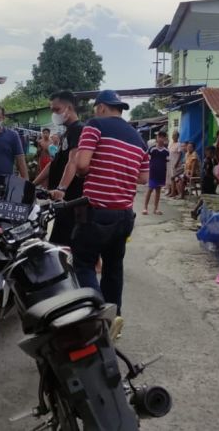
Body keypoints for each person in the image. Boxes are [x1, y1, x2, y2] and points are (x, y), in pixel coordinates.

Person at [74, 90, 149, 340]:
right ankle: (113, 320)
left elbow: (83, 164)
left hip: (98, 212)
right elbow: (143, 177)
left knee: (83, 263)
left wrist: (88, 169)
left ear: (102, 107)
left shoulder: (95, 126)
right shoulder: (139, 139)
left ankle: (97, 319)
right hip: (124, 215)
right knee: (113, 269)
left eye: (96, 108)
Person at [33, 90, 84, 245]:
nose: (54, 114)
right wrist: (31, 184)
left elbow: (73, 161)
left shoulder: (79, 129)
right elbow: (53, 164)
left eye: (57, 110)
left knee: (63, 246)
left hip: (71, 198)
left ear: (68, 108)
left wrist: (61, 189)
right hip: (62, 199)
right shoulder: (66, 133)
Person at [142, 131, 169, 215]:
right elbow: (146, 159)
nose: (160, 139)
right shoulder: (152, 149)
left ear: (165, 139)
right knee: (150, 189)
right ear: (157, 138)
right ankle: (145, 208)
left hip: (161, 173)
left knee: (158, 190)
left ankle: (156, 208)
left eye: (162, 137)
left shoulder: (166, 151)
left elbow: (167, 161)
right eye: (159, 137)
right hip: (152, 172)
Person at [166, 130, 182, 197]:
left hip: (174, 162)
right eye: (173, 135)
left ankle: (173, 192)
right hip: (169, 162)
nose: (173, 137)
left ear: (177, 137)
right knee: (168, 177)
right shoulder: (170, 143)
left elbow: (180, 154)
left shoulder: (179, 144)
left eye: (175, 135)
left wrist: (177, 162)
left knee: (173, 177)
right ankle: (169, 190)